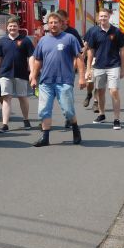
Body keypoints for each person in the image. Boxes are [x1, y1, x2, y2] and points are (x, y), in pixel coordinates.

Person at [29, 11, 86, 147]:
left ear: (61, 23)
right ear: (47, 25)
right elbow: (38, 60)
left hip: (64, 80)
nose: (53, 25)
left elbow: (79, 58)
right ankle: (45, 137)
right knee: (44, 110)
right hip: (46, 81)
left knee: (68, 110)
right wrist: (34, 77)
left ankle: (75, 129)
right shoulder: (43, 40)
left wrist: (82, 77)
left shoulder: (69, 38)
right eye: (51, 23)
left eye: (56, 22)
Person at [0, 16, 34, 133]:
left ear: (18, 27)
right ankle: (5, 124)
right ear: (7, 28)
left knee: (22, 97)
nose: (12, 28)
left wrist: (32, 73)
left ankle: (26, 120)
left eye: (14, 26)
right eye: (10, 26)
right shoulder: (3, 41)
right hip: (5, 73)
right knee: (6, 98)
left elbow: (31, 57)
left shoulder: (25, 40)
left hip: (21, 73)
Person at [85, 9, 124, 130]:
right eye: (101, 16)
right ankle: (101, 114)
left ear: (109, 17)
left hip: (113, 66)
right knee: (100, 91)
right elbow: (91, 51)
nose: (103, 18)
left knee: (113, 91)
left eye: (105, 16)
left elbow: (122, 51)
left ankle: (116, 119)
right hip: (98, 66)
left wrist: (122, 69)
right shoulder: (94, 32)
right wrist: (88, 69)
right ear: (98, 18)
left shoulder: (116, 32)